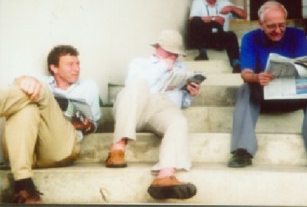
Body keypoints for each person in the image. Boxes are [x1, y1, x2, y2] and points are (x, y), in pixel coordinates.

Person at [228, 0, 307, 172]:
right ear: (261, 24)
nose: (277, 30)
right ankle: (242, 150)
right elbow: (245, 73)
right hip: (265, 96)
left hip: (293, 94)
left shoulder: (297, 35)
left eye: (281, 25)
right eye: (271, 26)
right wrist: (256, 77)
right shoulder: (250, 38)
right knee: (245, 88)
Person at [105, 30, 200, 200]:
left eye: (176, 54)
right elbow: (132, 89)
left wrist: (189, 95)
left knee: (179, 122)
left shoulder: (181, 68)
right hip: (135, 109)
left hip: (161, 110)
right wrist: (163, 67)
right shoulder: (140, 63)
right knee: (137, 84)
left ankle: (165, 175)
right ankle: (117, 150)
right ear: (157, 48)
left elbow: (181, 103)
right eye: (168, 52)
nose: (173, 56)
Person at [0, 45, 101, 203]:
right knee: (28, 106)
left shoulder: (88, 87)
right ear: (54, 67)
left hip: (61, 147)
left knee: (40, 92)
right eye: (70, 64)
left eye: (78, 64)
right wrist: (25, 80)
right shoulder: (42, 81)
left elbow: (94, 124)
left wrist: (85, 124)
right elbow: (18, 79)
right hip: (25, 152)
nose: (76, 68)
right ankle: (24, 182)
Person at [188, 0, 247, 73]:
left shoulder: (225, 3)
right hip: (204, 39)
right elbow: (192, 20)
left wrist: (231, 8)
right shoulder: (198, 3)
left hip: (219, 38)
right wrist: (213, 19)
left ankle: (236, 64)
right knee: (196, 21)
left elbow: (244, 15)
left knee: (231, 34)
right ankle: (203, 54)